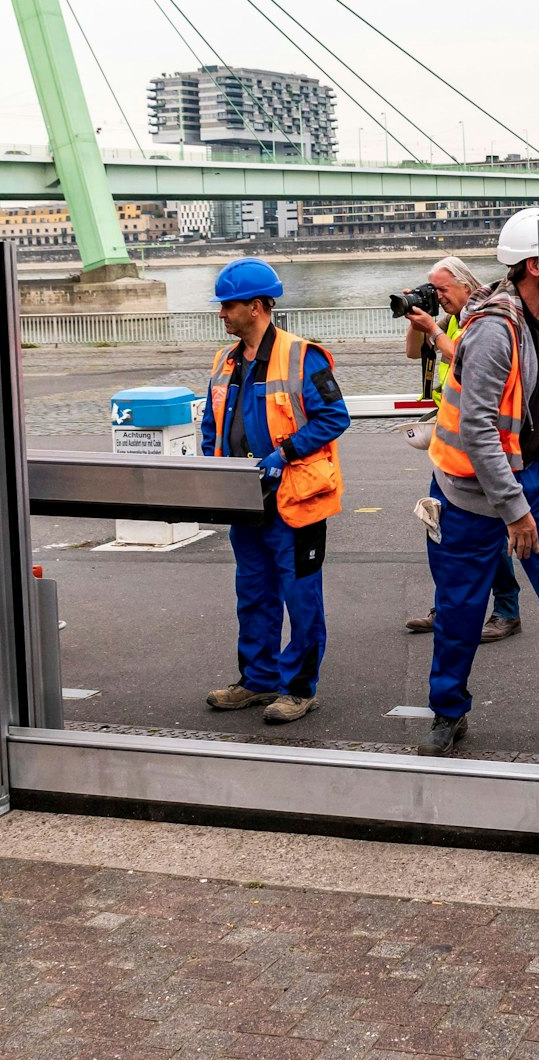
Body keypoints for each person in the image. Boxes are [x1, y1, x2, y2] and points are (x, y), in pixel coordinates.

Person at [419, 207, 539, 755]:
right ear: (535, 265)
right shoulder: (494, 331)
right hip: (473, 493)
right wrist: (515, 509)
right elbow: (478, 430)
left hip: (536, 478)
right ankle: (447, 711)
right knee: (460, 606)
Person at [199, 258, 350, 725]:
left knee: (300, 598)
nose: (222, 313)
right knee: (254, 593)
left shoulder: (305, 356)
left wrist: (283, 454)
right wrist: (214, 471)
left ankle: (299, 689)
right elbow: (212, 424)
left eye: (229, 305)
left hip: (294, 500)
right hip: (245, 500)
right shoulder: (225, 361)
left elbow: (334, 417)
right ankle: (258, 679)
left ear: (258, 307)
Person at [401, 256, 522, 643]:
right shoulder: (449, 318)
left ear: (466, 286)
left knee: (487, 528)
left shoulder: (483, 321)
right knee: (442, 529)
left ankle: (506, 610)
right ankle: (448, 606)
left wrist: (434, 331)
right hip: (449, 435)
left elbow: (465, 361)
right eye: (432, 289)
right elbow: (412, 353)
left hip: (480, 438)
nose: (438, 296)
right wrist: (417, 319)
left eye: (441, 289)